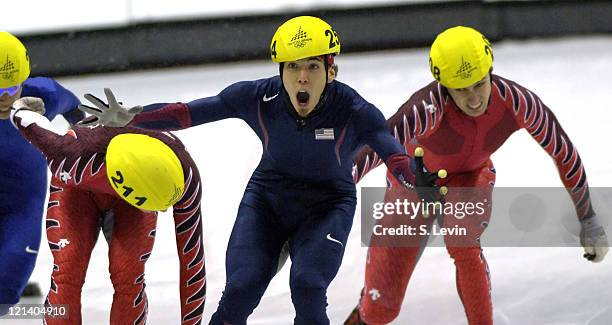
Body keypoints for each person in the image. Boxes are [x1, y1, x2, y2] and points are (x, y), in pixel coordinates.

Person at [77, 15, 441, 325]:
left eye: (312, 66)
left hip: (328, 207)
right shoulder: (257, 97)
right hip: (267, 201)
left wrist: (413, 179)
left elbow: (393, 155)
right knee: (239, 290)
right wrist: (134, 117)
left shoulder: (356, 111)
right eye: (293, 67)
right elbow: (189, 112)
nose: (302, 78)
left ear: (331, 71)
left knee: (309, 286)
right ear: (280, 70)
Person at [344, 26, 609, 325]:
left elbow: (563, 152)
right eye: (461, 89)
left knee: (463, 240)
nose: (473, 99)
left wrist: (588, 219)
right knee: (381, 309)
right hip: (412, 185)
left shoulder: (517, 101)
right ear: (443, 85)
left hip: (469, 177)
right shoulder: (427, 108)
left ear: (490, 72)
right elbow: (371, 152)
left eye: (479, 84)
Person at [9, 99, 206, 325]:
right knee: (67, 272)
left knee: (128, 273)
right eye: (151, 204)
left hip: (117, 180)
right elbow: (31, 123)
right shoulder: (70, 157)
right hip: (77, 187)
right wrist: (20, 106)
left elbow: (192, 261)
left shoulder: (184, 175)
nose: (161, 211)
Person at [0, 31, 84, 315]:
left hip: (21, 210)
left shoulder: (44, 95)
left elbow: (78, 112)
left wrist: (84, 138)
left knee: (4, 293)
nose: (4, 98)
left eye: (11, 89)